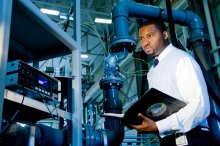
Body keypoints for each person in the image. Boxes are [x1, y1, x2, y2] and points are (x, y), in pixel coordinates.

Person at [130, 19, 216, 146]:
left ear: (165, 35)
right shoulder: (152, 71)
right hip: (168, 138)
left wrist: (159, 125)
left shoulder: (181, 60)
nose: (145, 43)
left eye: (150, 36)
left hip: (192, 136)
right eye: (142, 38)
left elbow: (199, 106)